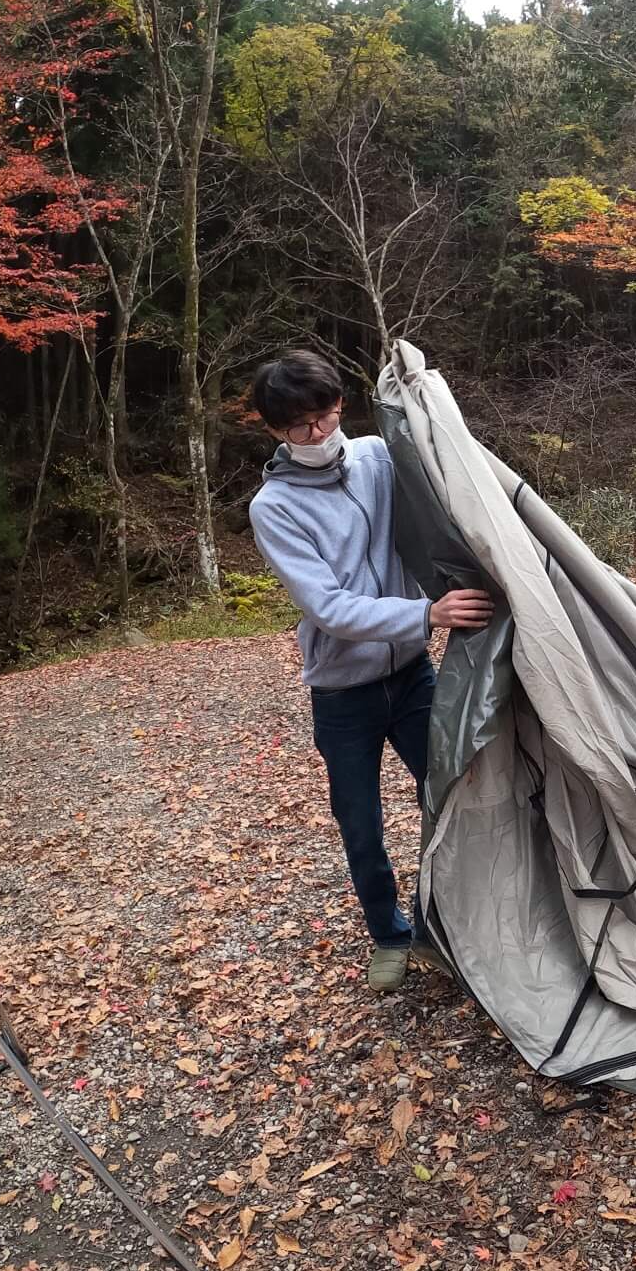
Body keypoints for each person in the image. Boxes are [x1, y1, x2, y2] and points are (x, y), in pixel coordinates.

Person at [246, 350, 494, 992]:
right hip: (343, 693)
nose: (321, 433)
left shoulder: (377, 458)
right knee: (360, 820)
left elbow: (442, 488)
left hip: (411, 676)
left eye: (327, 415)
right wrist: (427, 612)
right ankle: (389, 934)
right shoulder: (273, 507)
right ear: (276, 430)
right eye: (301, 426)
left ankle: (460, 916)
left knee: (451, 787)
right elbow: (327, 607)